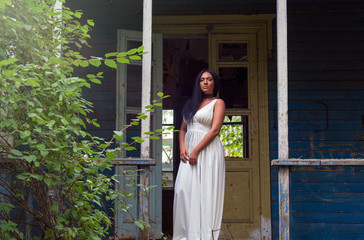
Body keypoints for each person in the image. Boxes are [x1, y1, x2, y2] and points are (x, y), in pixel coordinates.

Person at [173, 69, 226, 240]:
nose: (205, 82)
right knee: (183, 190)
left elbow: (215, 130)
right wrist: (183, 147)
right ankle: (185, 236)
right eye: (202, 79)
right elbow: (182, 129)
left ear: (214, 83)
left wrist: (196, 150)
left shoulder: (218, 103)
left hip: (208, 151)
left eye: (209, 79)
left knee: (205, 192)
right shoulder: (191, 104)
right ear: (198, 83)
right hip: (188, 153)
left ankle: (205, 236)